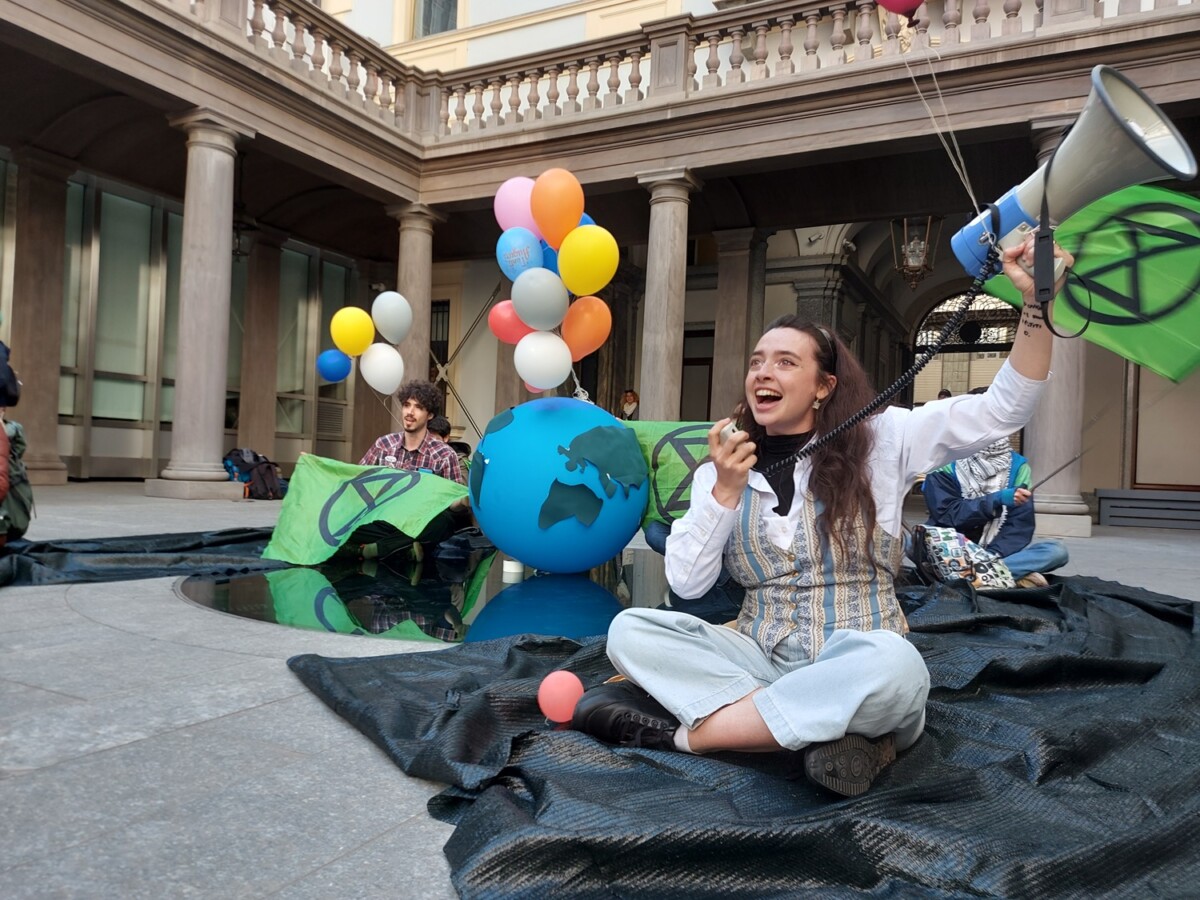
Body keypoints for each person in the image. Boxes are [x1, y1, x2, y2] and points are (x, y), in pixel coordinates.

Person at [571, 234, 1074, 797]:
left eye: (786, 363)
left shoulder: (883, 439)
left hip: (854, 661)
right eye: (757, 362)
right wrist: (725, 494)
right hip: (758, 659)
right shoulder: (724, 466)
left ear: (823, 386)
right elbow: (686, 584)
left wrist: (1036, 305)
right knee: (630, 628)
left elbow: (1003, 408)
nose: (763, 373)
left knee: (893, 667)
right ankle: (824, 734)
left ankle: (695, 736)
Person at [921, 388, 1068, 588]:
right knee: (914, 543)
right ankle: (1003, 574)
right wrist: (997, 499)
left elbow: (1019, 527)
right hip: (949, 547)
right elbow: (946, 515)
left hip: (995, 552)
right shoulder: (944, 460)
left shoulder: (1019, 467)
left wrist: (990, 555)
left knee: (1056, 551)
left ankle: (973, 576)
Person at [353, 380, 466, 565]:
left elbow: (453, 502)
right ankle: (404, 548)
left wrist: (462, 501)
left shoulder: (445, 454)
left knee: (443, 522)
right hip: (385, 518)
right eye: (406, 405)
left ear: (429, 415)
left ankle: (376, 550)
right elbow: (358, 481)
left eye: (418, 407)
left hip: (422, 522)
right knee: (346, 523)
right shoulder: (384, 444)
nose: (410, 413)